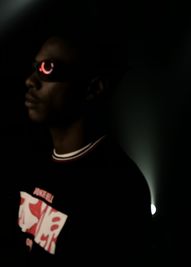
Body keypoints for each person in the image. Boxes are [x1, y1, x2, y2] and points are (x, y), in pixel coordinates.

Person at [2, 28, 153, 266]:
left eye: (48, 68)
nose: (30, 81)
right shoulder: (28, 161)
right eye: (35, 67)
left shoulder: (119, 188)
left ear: (94, 88)